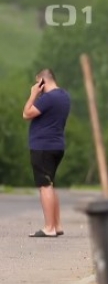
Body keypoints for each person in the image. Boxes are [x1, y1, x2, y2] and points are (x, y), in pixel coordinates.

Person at [22, 69, 71, 238]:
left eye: (38, 83)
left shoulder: (48, 98)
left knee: (44, 185)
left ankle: (49, 227)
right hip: (57, 145)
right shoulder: (64, 96)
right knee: (50, 184)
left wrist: (33, 95)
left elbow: (26, 113)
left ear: (42, 81)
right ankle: (57, 225)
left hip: (43, 145)